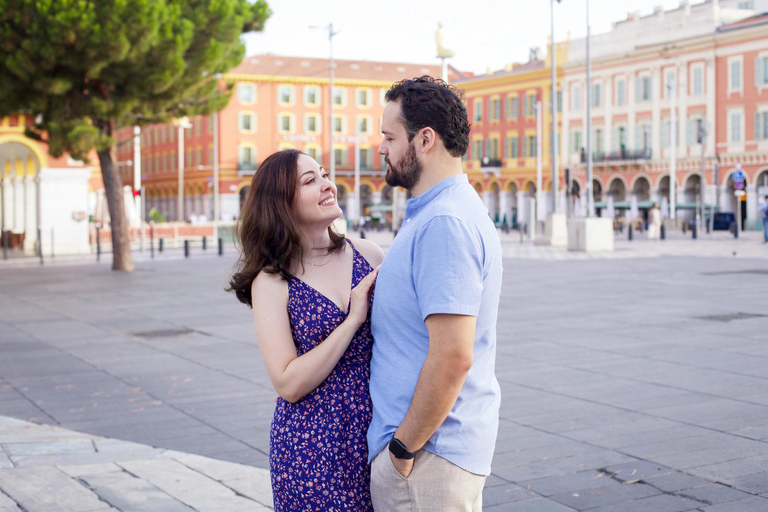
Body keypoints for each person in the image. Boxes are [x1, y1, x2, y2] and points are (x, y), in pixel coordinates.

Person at [367, 76, 503, 511]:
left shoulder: (444, 222)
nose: (381, 149)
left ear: (425, 140)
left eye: (390, 137)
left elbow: (453, 356)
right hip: (429, 457)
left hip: (427, 461)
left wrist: (402, 451)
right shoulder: (438, 212)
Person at [227, 149, 384, 511]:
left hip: (379, 430)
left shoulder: (370, 255)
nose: (328, 185)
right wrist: (352, 320)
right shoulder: (271, 281)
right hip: (311, 447)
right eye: (310, 181)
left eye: (324, 175)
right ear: (282, 203)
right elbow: (288, 383)